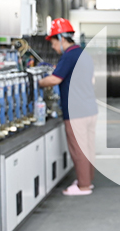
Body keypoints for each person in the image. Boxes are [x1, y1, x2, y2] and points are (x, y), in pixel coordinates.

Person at [38, 18, 97, 196]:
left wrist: (38, 82)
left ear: (62, 38)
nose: (54, 48)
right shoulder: (83, 53)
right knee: (88, 147)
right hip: (90, 109)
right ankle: (87, 180)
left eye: (54, 43)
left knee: (78, 150)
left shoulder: (68, 56)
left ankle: (83, 186)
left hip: (76, 111)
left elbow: (55, 79)